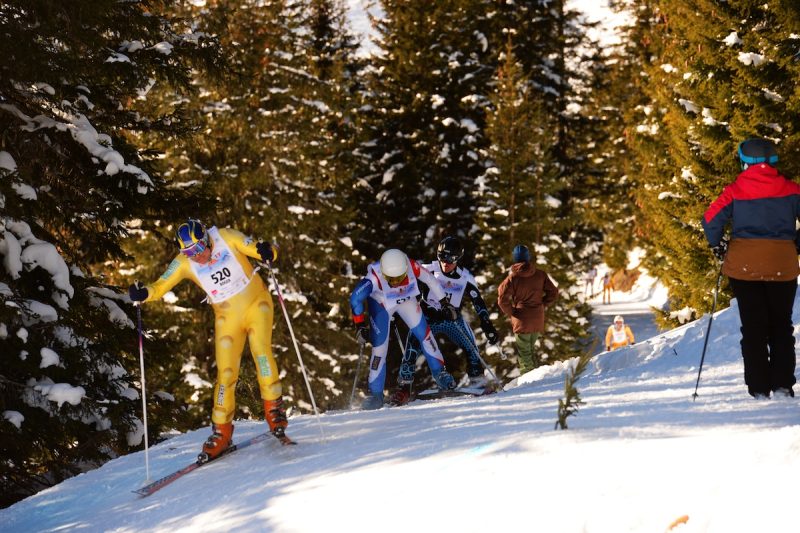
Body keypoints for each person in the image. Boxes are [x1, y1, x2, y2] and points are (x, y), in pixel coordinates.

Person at [128, 219, 288, 460]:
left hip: (257, 304)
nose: (196, 257)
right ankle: (221, 431)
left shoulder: (227, 237)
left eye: (197, 249)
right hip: (226, 317)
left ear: (206, 240)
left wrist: (267, 251)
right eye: (188, 252)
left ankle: (274, 409)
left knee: (261, 352)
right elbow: (160, 285)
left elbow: (259, 248)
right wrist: (144, 293)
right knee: (225, 374)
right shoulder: (184, 262)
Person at [702, 137, 800, 399]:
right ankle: (782, 385)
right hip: (782, 263)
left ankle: (758, 388)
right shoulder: (792, 190)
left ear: (745, 161)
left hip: (744, 266)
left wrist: (718, 246)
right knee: (781, 325)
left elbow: (710, 219)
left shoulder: (735, 190)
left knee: (754, 327)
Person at [389, 236, 500, 405]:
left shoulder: (465, 278)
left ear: (458, 258)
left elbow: (478, 302)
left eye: (451, 258)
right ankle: (403, 388)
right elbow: (402, 280)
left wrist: (487, 324)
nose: (445, 262)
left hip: (452, 319)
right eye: (442, 256)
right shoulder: (428, 270)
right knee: (412, 347)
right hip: (427, 317)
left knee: (471, 345)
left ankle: (478, 381)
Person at [349, 248, 460, 410]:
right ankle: (376, 394)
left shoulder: (411, 266)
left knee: (425, 334)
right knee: (379, 348)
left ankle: (440, 373)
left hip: (405, 299)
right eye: (391, 279)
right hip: (382, 304)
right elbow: (355, 298)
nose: (395, 282)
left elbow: (430, 279)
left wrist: (444, 303)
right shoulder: (374, 277)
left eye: (399, 278)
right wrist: (359, 325)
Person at [497, 244, 558, 375]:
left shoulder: (513, 278)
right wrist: (542, 305)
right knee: (530, 349)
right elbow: (553, 292)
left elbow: (502, 299)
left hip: (521, 319)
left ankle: (528, 380)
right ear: (528, 257)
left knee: (524, 353)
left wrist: (512, 312)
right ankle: (535, 376)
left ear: (514, 258)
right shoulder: (540, 275)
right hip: (537, 318)